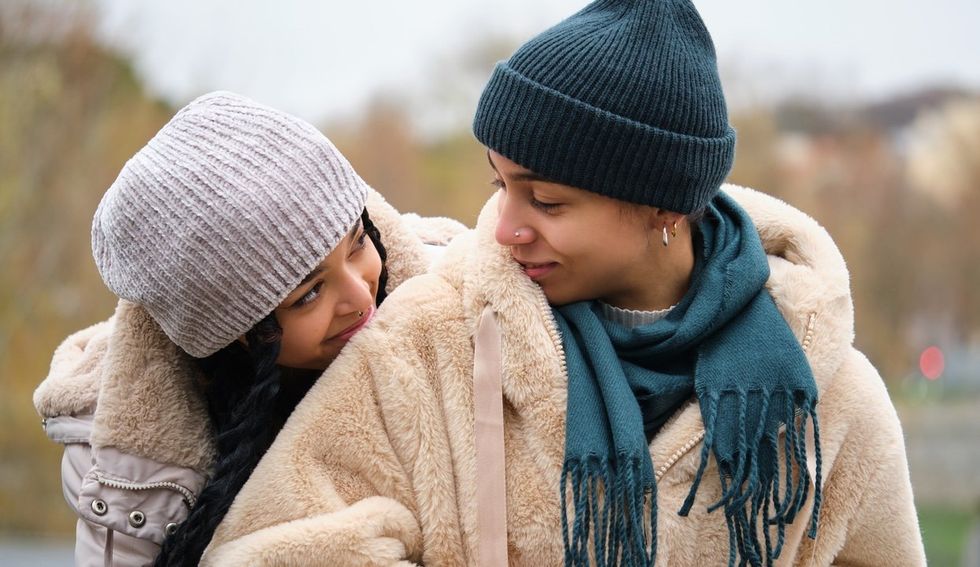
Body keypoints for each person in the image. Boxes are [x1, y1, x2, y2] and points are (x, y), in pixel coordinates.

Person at [205, 1, 926, 565]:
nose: (505, 227)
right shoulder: (426, 343)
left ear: (665, 206)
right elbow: (266, 549)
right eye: (502, 186)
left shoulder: (835, 401)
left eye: (546, 201)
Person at [32, 91, 464, 567]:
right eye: (309, 294)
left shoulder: (464, 300)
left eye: (359, 244)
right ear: (231, 335)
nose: (361, 297)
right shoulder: (124, 467)